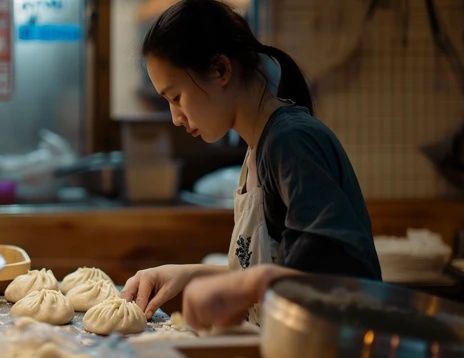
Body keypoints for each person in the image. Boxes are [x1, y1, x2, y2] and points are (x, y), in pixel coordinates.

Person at [120, 0, 382, 328]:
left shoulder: (291, 141)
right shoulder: (258, 147)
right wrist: (188, 274)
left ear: (220, 70)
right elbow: (279, 268)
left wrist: (237, 285)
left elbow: (330, 274)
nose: (175, 118)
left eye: (176, 97)